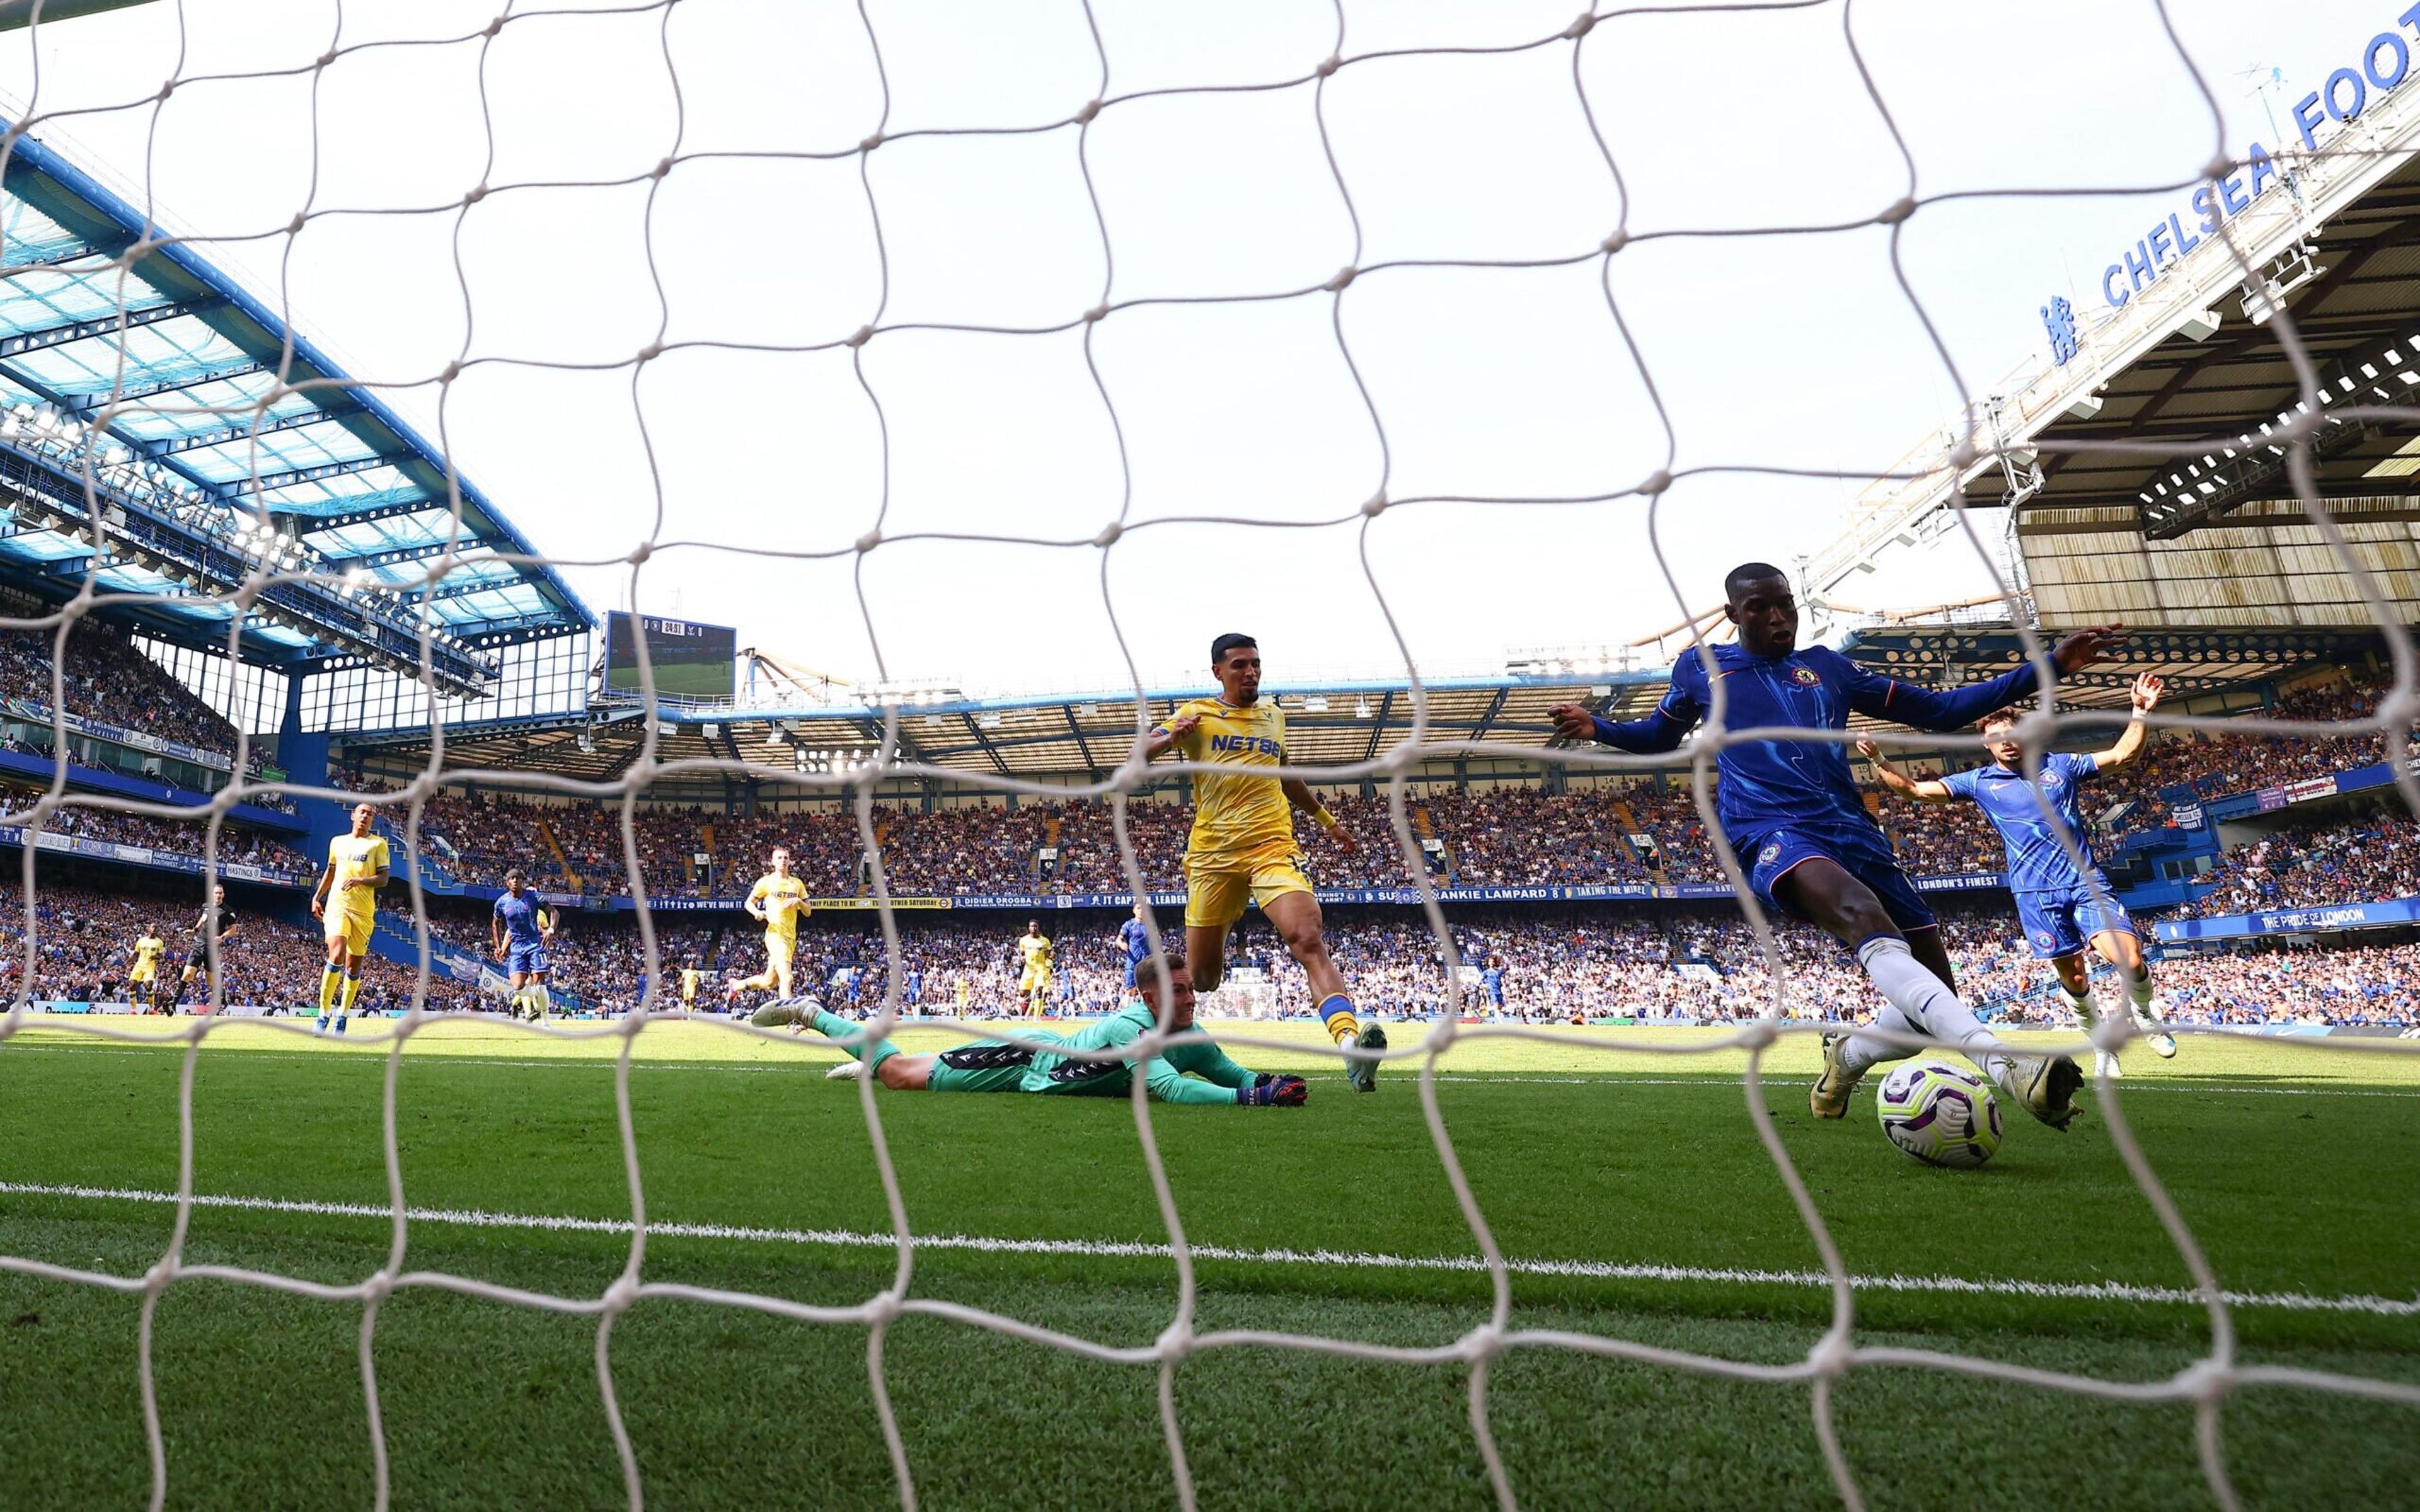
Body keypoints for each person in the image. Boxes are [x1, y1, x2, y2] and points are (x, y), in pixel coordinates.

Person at [1548, 563, 2120, 1131]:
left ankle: (1846, 1058)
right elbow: (1659, 736)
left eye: (1785, 604)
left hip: (1851, 830)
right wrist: (1600, 729)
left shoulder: (1827, 667)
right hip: (1771, 828)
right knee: (1859, 912)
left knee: (1932, 1005)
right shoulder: (1702, 669)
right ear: (1732, 616)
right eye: (1759, 608)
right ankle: (2008, 1067)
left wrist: (2049, 667)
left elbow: (1939, 711)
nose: (1777, 618)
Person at [1859, 670, 2179, 1079]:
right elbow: (1915, 792)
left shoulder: (2060, 767)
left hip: (2084, 882)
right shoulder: (1979, 782)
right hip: (2034, 894)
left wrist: (2139, 711)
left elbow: (2122, 756)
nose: (2006, 741)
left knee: (2130, 960)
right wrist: (1877, 760)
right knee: (2075, 977)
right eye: (1996, 736)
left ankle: (2145, 1013)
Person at [1146, 632, 1385, 1092]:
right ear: (1218, 671)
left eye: (1255, 663)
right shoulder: (1195, 715)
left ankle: (1350, 1046)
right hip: (1213, 859)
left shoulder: (1274, 717)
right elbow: (1138, 753)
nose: (1250, 671)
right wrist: (1170, 738)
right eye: (1239, 665)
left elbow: (1286, 776)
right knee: (1204, 977)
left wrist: (1327, 822)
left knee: (1307, 936)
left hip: (1271, 848)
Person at [758, 951, 1307, 1106]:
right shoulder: (1130, 1024)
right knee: (900, 1077)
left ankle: (868, 1063)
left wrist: (1266, 1080)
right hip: (1024, 1062)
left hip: (1037, 1063)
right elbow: (1167, 1087)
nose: (1192, 999)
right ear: (1149, 998)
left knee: (902, 1071)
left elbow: (1226, 1068)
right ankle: (811, 1011)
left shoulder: (1191, 1029)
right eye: (1181, 991)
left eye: (1191, 990)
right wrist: (1247, 1100)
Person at [310, 802, 389, 1034]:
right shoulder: (337, 842)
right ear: (352, 816)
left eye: (370, 814)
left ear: (372, 820)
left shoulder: (378, 844)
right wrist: (317, 897)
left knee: (353, 968)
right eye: (362, 812)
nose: (366, 816)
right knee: (336, 954)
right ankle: (323, 1014)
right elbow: (331, 870)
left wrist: (361, 881)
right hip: (338, 905)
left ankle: (342, 1015)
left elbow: (384, 879)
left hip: (364, 911)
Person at [725, 846, 810, 1010]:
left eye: (786, 857)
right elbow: (748, 903)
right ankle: (790, 1018)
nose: (783, 860)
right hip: (775, 935)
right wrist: (757, 912)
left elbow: (808, 912)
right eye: (779, 858)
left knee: (768, 983)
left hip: (790, 937)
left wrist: (799, 902)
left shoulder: (797, 884)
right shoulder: (766, 882)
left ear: (790, 861)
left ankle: (736, 986)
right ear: (772, 861)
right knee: (787, 978)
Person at [490, 868, 556, 1021]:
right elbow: (505, 929)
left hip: (535, 945)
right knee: (519, 986)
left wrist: (549, 931)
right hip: (518, 949)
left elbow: (551, 917)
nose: (515, 881)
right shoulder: (503, 903)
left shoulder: (536, 904)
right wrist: (500, 947)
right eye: (512, 878)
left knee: (537, 980)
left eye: (518, 878)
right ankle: (531, 1003)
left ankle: (540, 1017)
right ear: (507, 883)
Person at [176, 884, 241, 1014]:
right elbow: (202, 919)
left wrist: (222, 937)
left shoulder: (228, 911)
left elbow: (233, 930)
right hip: (201, 943)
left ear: (223, 895)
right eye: (216, 893)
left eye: (220, 893)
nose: (218, 895)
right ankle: (173, 1002)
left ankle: (221, 993)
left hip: (213, 947)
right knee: (189, 974)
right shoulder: (206, 907)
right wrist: (195, 930)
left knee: (210, 980)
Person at [1117, 900, 1154, 1002]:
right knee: (1130, 990)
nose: (1141, 911)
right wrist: (1122, 944)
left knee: (1147, 989)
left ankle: (1145, 1013)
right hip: (1133, 961)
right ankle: (1127, 1012)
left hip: (1146, 962)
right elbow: (1118, 939)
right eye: (1138, 908)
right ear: (1134, 910)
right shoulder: (1129, 925)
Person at [1016, 920, 1054, 1017]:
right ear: (1029, 928)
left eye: (1035, 926)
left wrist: (1053, 955)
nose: (1034, 928)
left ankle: (1036, 1018)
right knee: (1022, 992)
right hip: (1028, 969)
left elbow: (1049, 955)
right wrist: (1023, 959)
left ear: (1038, 927)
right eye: (1032, 926)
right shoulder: (1023, 940)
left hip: (1040, 969)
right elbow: (1022, 953)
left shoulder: (1045, 941)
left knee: (1039, 990)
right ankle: (1029, 1003)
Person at [127, 926, 166, 1012]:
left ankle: (152, 1009)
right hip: (139, 966)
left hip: (149, 967)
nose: (155, 929)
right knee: (132, 985)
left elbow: (161, 955)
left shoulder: (159, 942)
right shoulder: (141, 940)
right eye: (153, 927)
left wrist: (155, 956)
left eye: (156, 928)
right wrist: (128, 962)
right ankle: (133, 1010)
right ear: (148, 929)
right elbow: (136, 954)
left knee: (148, 986)